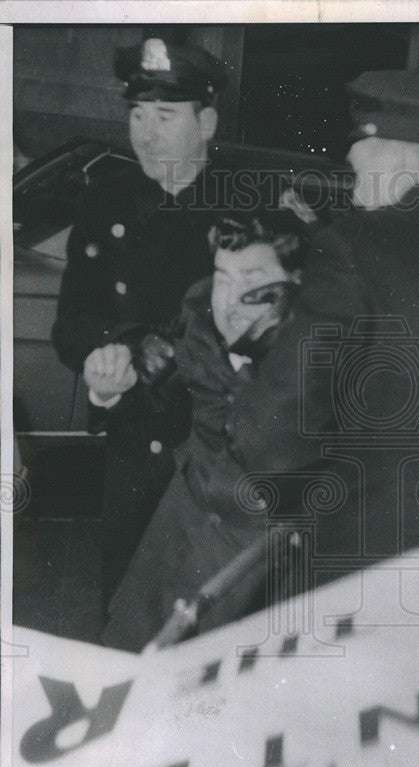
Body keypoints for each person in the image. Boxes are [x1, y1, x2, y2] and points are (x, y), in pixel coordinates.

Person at [101, 69, 419, 652]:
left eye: (358, 170)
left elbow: (273, 442)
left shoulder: (357, 247)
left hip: (369, 574)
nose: (354, 190)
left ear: (387, 155)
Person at [51, 35, 228, 605]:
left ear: (207, 124)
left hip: (216, 451)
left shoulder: (251, 206)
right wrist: (106, 357)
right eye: (136, 114)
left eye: (166, 116)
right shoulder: (105, 200)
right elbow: (74, 317)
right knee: (126, 602)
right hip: (135, 447)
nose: (145, 133)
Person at [101, 212, 311, 651]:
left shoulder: (316, 353)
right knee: (128, 650)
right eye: (222, 277)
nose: (229, 299)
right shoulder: (199, 317)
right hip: (183, 527)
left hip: (261, 554)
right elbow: (155, 380)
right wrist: (111, 386)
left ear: (295, 281)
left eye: (252, 278)